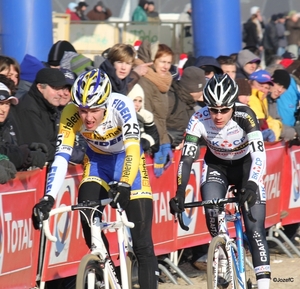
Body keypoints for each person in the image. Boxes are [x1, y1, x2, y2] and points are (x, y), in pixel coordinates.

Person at [32, 68, 159, 289]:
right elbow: (61, 157)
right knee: (86, 212)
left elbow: (132, 150)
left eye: (94, 111)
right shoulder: (70, 113)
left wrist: (125, 184)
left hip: (128, 161)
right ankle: (108, 271)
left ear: (106, 104)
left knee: (142, 243)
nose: (88, 118)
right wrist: (48, 197)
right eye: (83, 111)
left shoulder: (121, 106)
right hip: (98, 163)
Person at [169, 74, 271, 289]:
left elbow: (259, 156)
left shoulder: (245, 114)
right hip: (217, 167)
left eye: (224, 110)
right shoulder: (198, 119)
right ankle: (223, 255)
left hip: (245, 168)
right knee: (213, 213)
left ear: (232, 105)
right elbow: (187, 159)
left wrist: (252, 184)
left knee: (254, 228)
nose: (218, 115)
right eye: (213, 109)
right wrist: (179, 191)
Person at [135, 40, 173, 177]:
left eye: (169, 63)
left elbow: (161, 117)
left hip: (161, 139)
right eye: (163, 61)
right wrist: (158, 144)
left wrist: (166, 141)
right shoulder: (146, 81)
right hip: (150, 143)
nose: (166, 66)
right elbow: (149, 115)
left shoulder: (163, 81)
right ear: (153, 61)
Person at [11, 68, 67, 162]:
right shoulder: (28, 109)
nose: (61, 93)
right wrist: (68, 152)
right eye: (55, 88)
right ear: (40, 87)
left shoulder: (50, 106)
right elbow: (43, 150)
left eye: (62, 88)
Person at [0, 76, 48, 171]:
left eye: (7, 104)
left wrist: (28, 149)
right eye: (0, 103)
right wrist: (24, 155)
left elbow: (9, 148)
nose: (4, 109)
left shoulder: (7, 124)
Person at [167, 66, 207, 149]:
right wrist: (168, 137)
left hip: (181, 153)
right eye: (201, 89)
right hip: (164, 153)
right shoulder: (172, 99)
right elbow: (156, 121)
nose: (203, 93)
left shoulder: (190, 104)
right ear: (194, 89)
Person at [128, 83, 159, 155]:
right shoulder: (123, 117)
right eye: (134, 100)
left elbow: (156, 145)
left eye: (140, 101)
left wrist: (145, 141)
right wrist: (147, 140)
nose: (137, 104)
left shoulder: (146, 116)